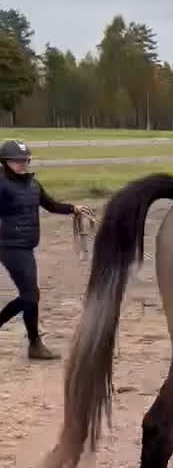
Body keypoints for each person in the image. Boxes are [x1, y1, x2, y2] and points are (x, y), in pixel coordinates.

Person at [0, 138, 95, 360]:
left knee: (31, 295)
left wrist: (73, 209)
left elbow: (50, 205)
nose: (22, 164)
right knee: (30, 295)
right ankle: (35, 344)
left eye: (25, 160)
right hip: (9, 247)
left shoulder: (33, 185)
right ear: (4, 162)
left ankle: (34, 345)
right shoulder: (1, 185)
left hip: (26, 246)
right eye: (17, 161)